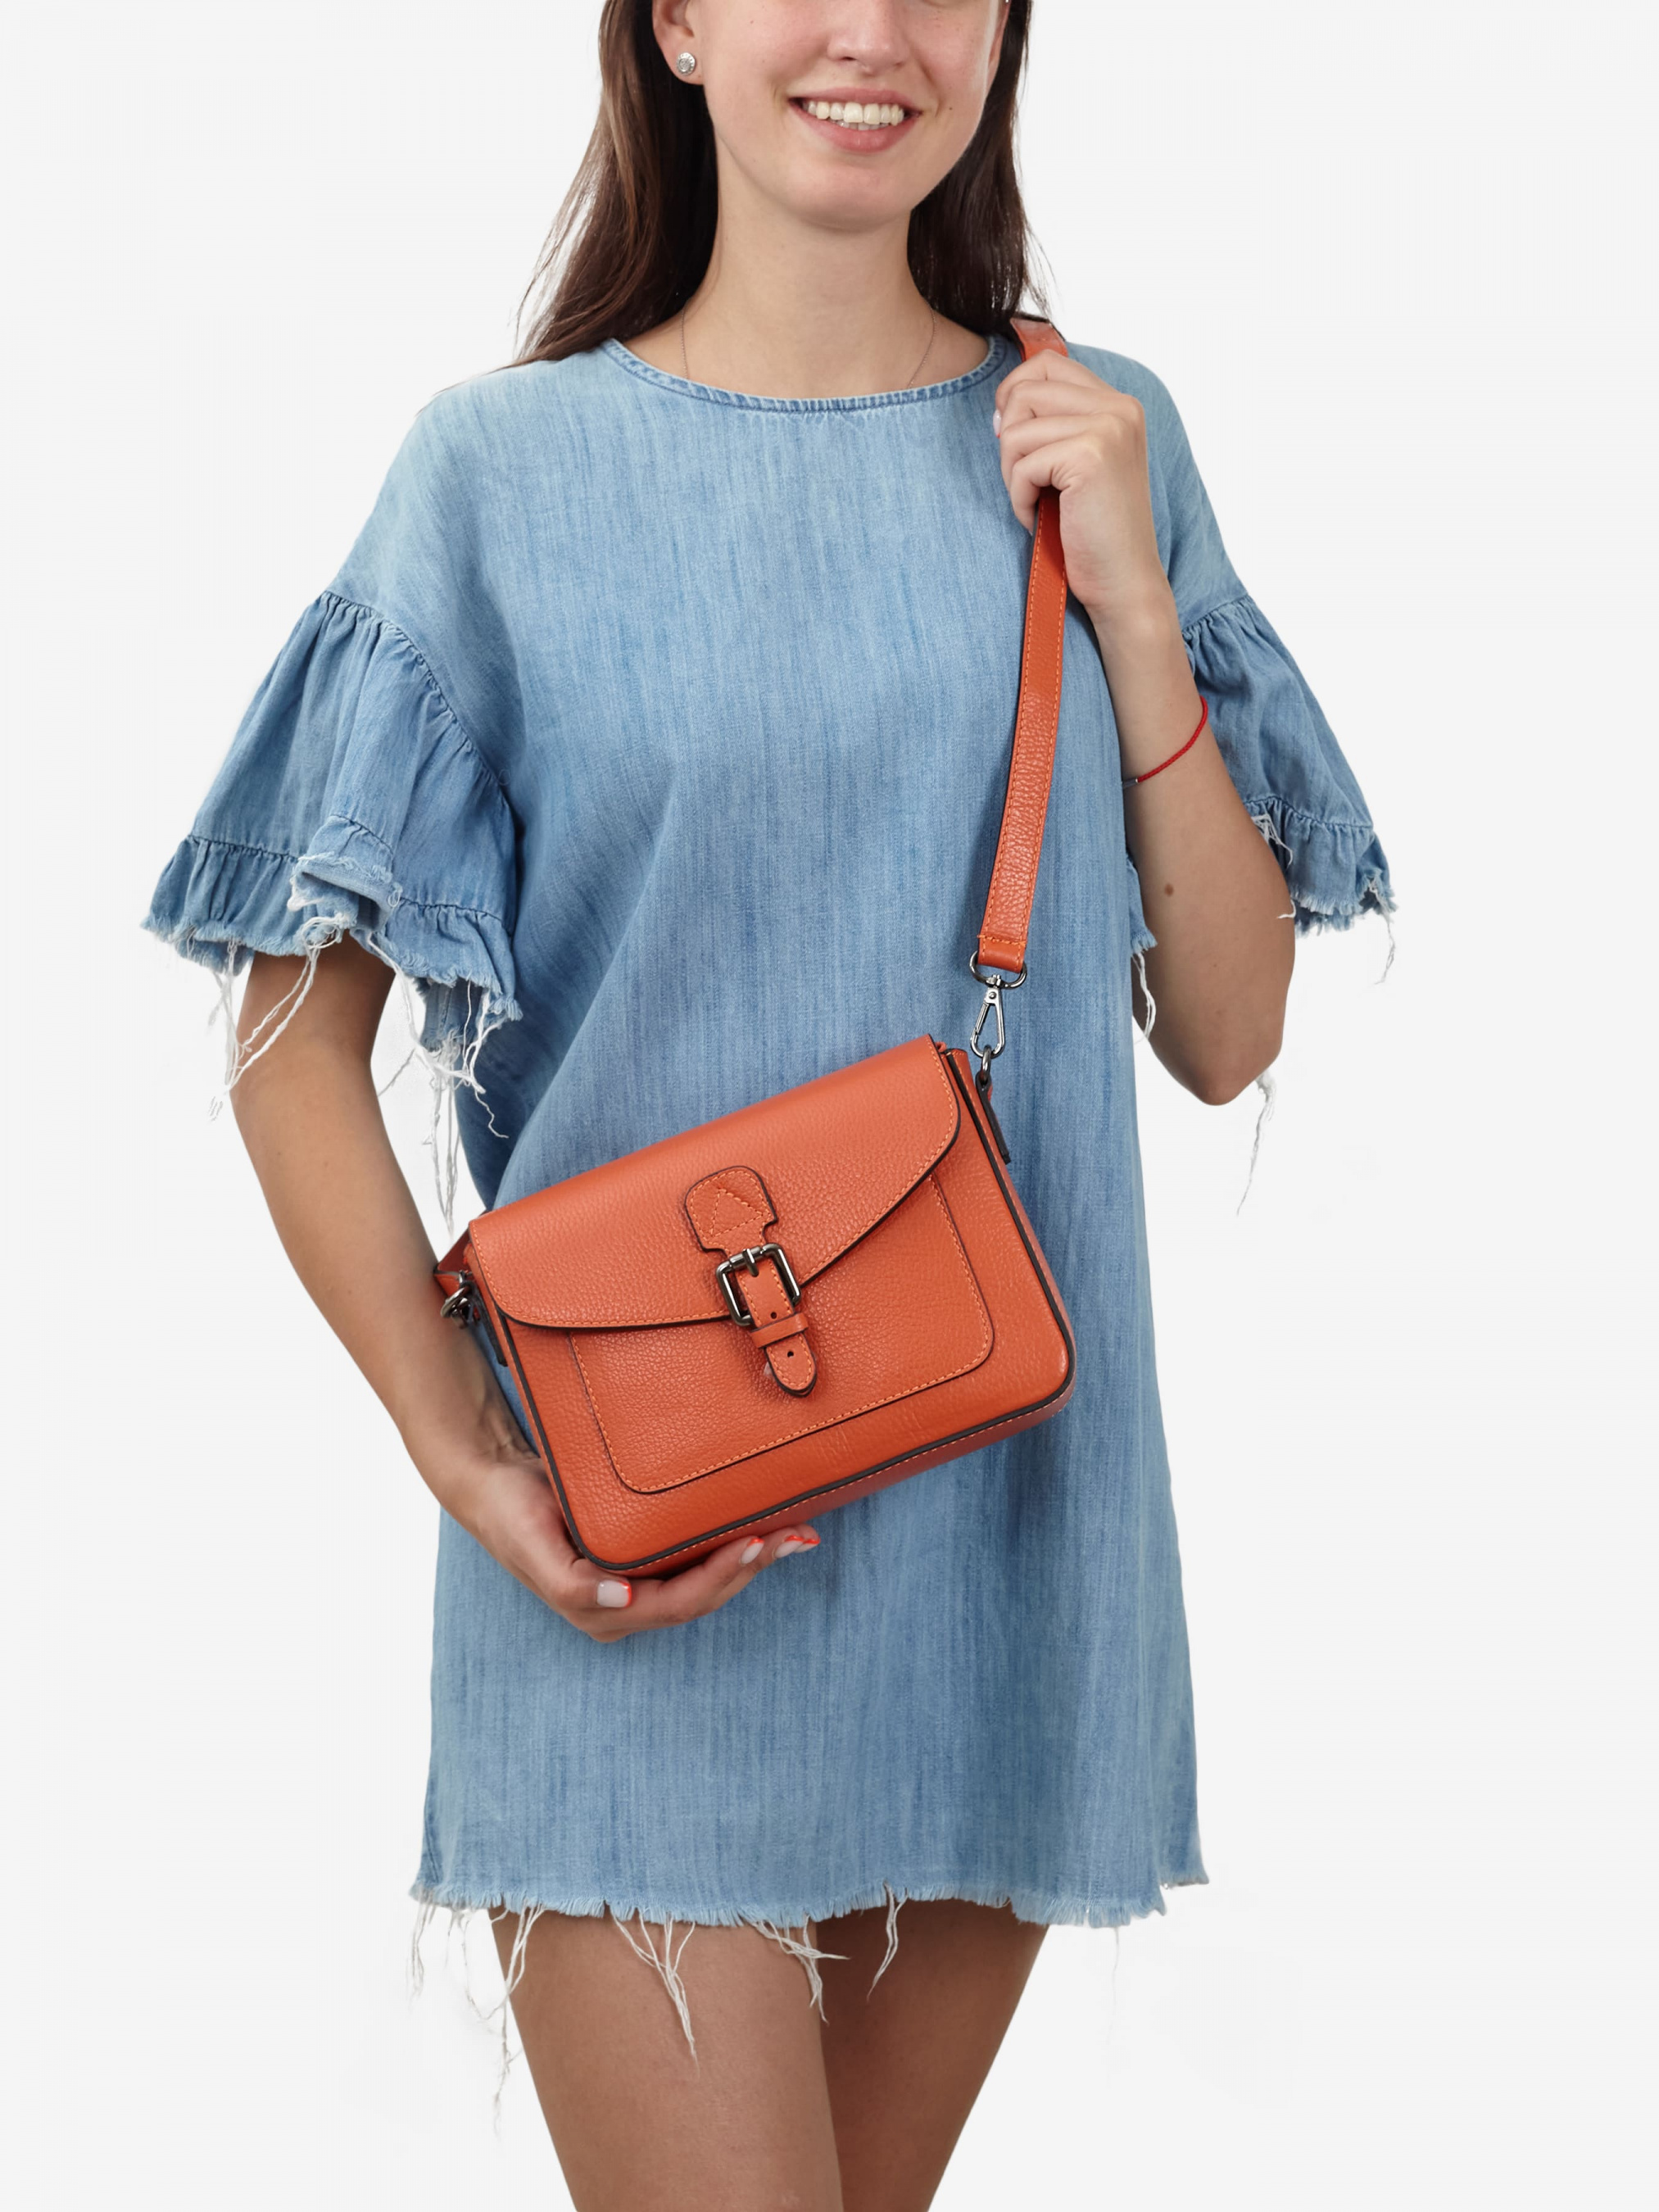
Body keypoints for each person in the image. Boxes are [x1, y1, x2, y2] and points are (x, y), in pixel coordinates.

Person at [143, 2, 1391, 2205]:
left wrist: (1125, 600)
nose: (871, 34)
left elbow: (1225, 1030)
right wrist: (458, 1447)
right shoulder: (494, 476)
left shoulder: (1101, 435)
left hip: (1004, 1543)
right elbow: (287, 1039)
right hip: (632, 1542)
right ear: (680, 24)